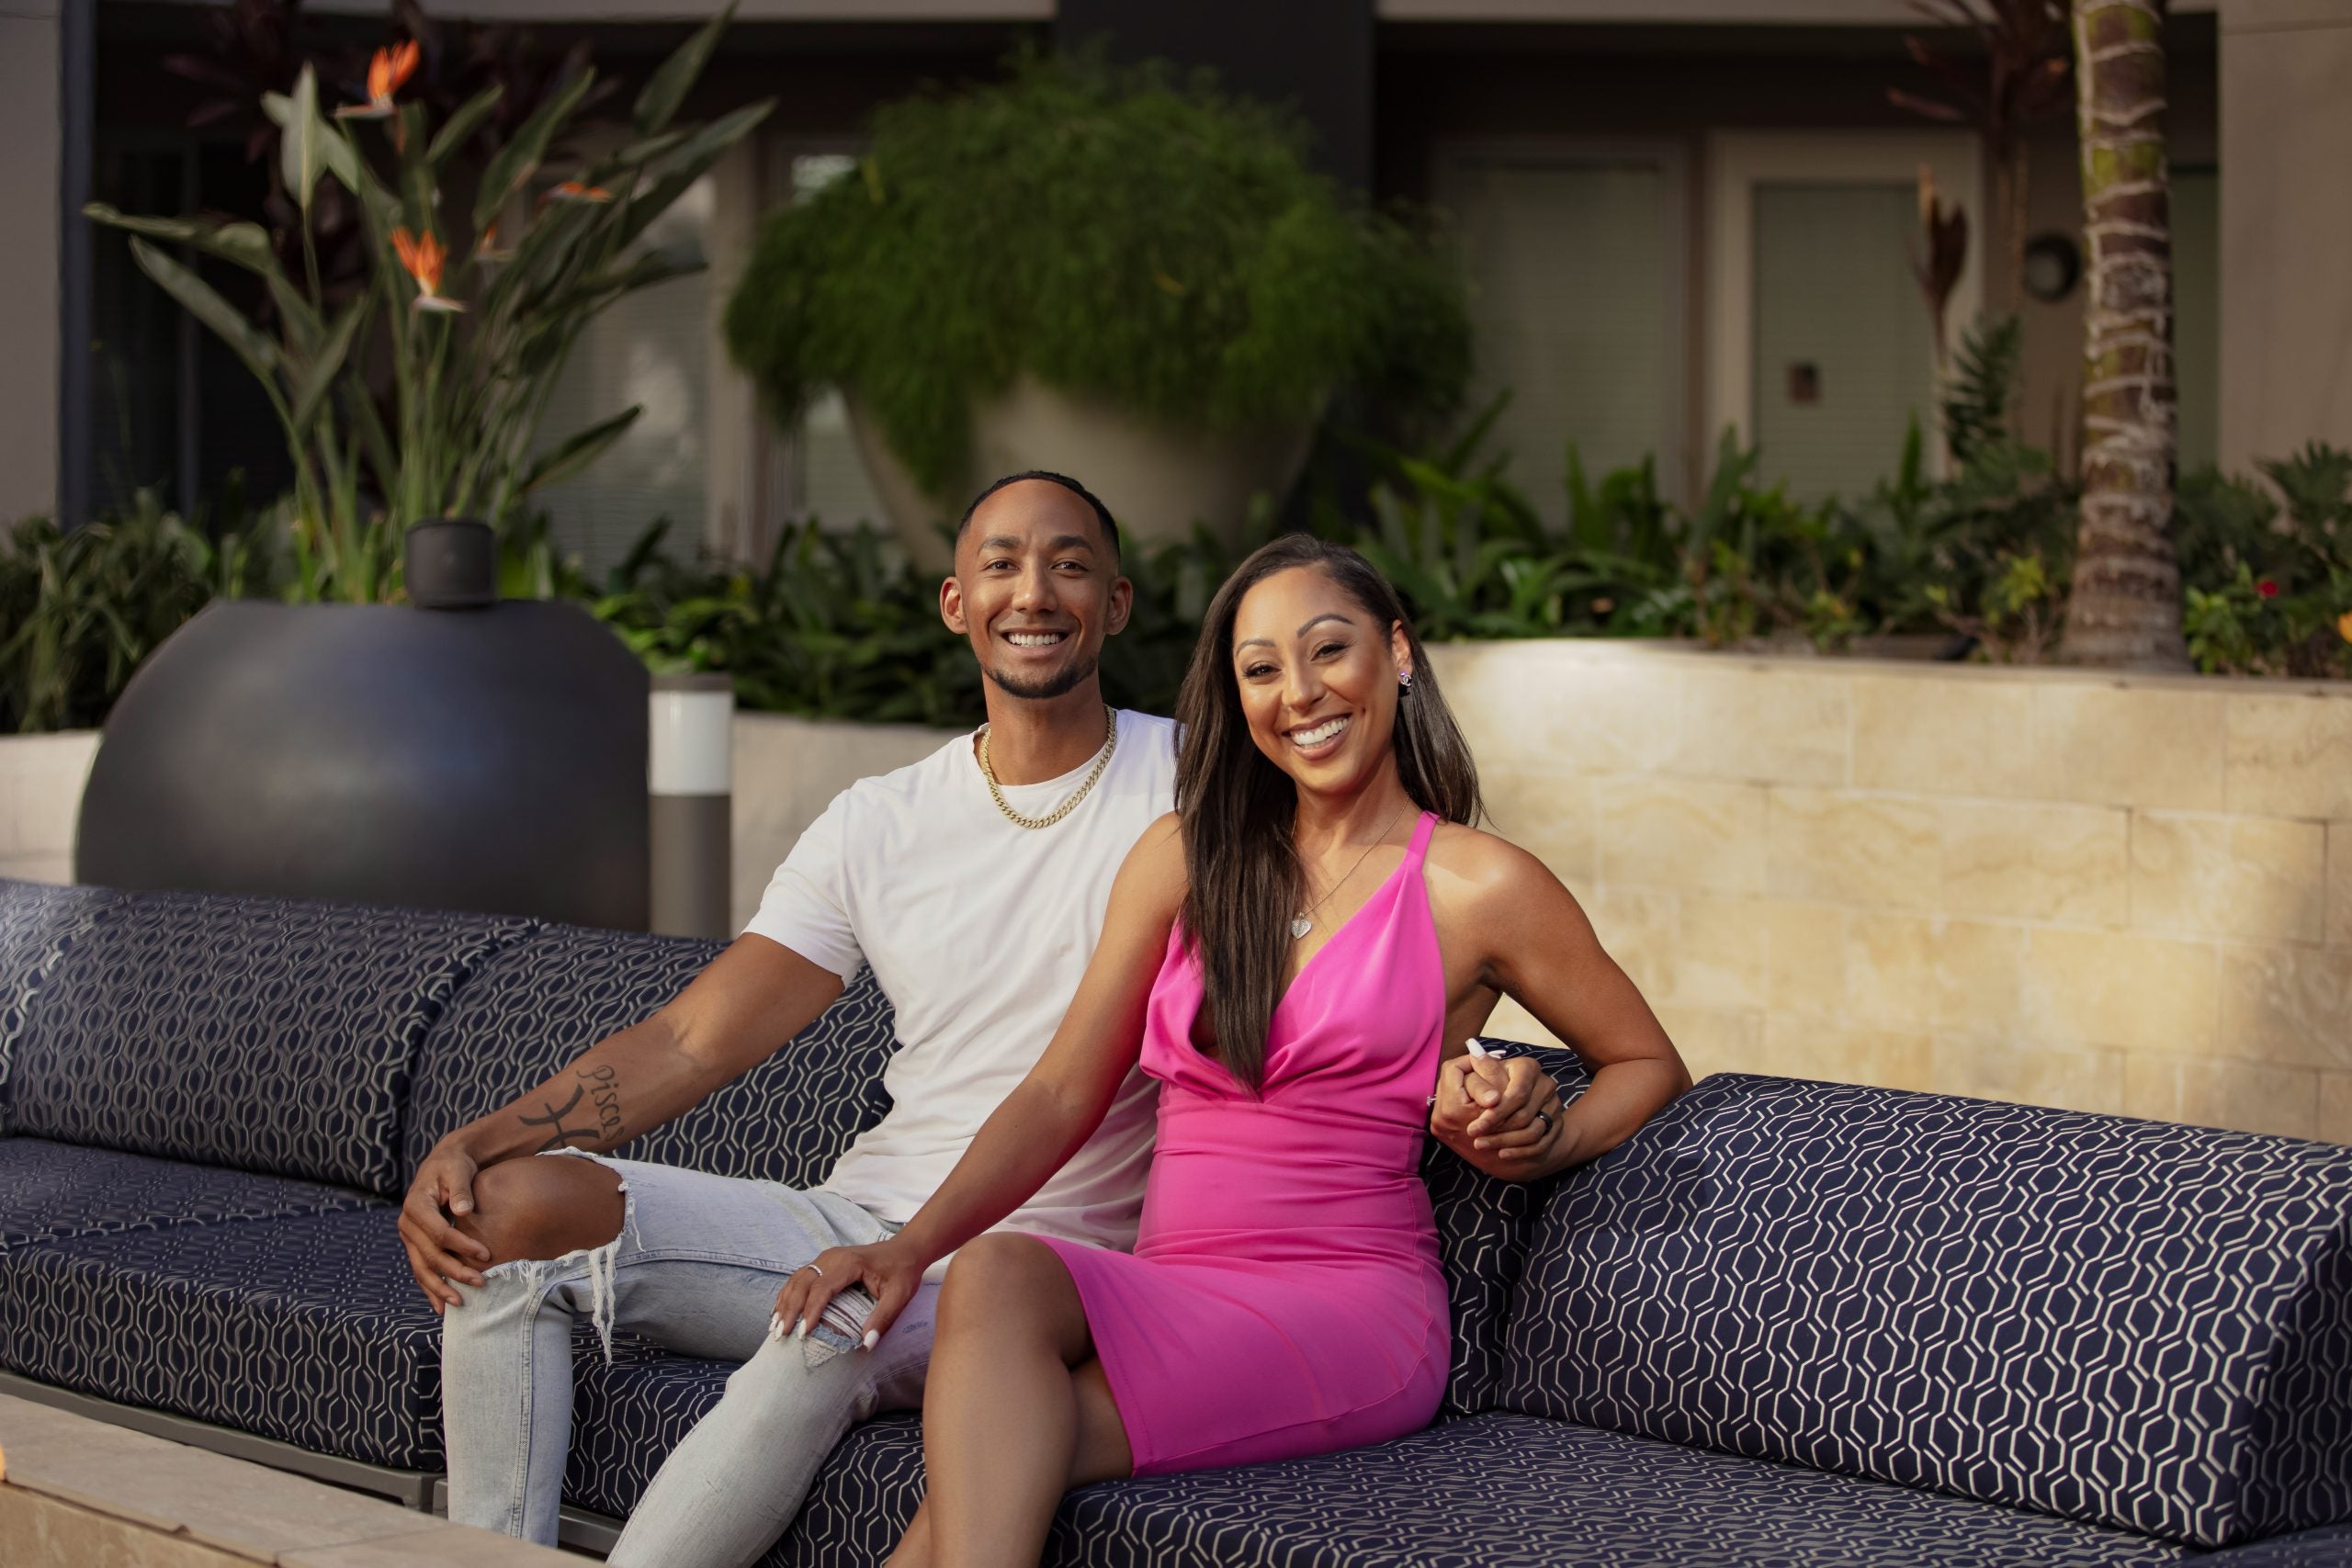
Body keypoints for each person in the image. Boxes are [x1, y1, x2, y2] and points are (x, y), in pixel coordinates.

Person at [395, 479, 1566, 1562]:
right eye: (1001, 564)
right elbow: (698, 1040)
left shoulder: (1210, 796)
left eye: (1068, 565)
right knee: (501, 1217)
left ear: (1113, 605)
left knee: (828, 1324)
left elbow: (1357, 936)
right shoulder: (878, 821)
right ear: (957, 603)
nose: (1032, 592)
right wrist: (482, 1137)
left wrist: (1478, 1074)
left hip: (1057, 1260)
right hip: (861, 1208)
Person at [778, 534, 1691, 1568]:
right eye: (1260, 670)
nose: (1299, 694)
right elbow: (1063, 1087)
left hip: (1347, 1307)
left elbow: (1647, 1064)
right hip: (1171, 1285)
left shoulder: (1479, 887)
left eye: (1327, 651)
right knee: (993, 1287)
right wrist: (904, 1249)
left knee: (989, 1470)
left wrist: (1550, 1139)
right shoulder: (1184, 858)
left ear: (1397, 651)